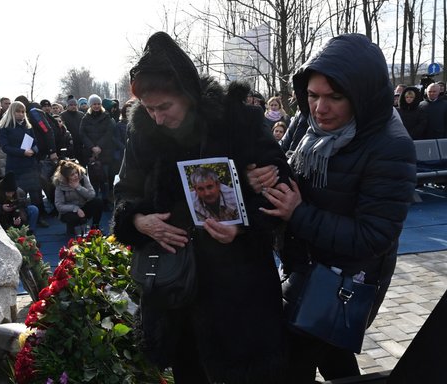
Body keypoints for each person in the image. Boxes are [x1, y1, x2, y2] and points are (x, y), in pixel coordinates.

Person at [112, 31, 291, 383]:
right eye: (149, 109)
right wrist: (138, 220)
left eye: (165, 107)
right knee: (189, 370)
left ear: (189, 95)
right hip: (176, 288)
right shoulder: (143, 133)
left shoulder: (238, 121)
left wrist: (243, 225)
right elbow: (124, 191)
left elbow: (281, 189)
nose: (158, 117)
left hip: (239, 288)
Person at [247, 33, 416, 382]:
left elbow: (374, 236)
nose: (319, 108)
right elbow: (285, 172)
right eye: (312, 95)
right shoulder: (306, 124)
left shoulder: (390, 146)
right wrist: (261, 177)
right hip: (302, 265)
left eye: (335, 97)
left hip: (345, 282)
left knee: (291, 361)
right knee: (334, 356)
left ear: (362, 96)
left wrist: (298, 213)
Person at [0, 101, 49, 227]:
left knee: (36, 193)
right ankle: (20, 219)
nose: (21, 114)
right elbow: (5, 147)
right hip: (16, 166)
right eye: (18, 111)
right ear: (12, 112)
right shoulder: (5, 127)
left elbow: (36, 143)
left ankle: (40, 217)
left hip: (30, 166)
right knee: (19, 196)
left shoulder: (28, 126)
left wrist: (33, 150)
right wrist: (22, 152)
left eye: (23, 111)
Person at [79, 93, 115, 208]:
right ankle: (95, 200)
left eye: (98, 103)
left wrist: (99, 146)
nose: (96, 106)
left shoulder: (106, 116)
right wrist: (92, 147)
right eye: (94, 104)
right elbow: (82, 134)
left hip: (104, 152)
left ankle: (105, 200)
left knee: (104, 178)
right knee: (93, 179)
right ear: (90, 105)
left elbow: (109, 133)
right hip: (91, 153)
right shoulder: (85, 118)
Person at [53, 159, 103, 235]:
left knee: (98, 202)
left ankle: (95, 226)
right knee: (73, 218)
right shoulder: (60, 185)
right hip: (70, 211)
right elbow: (59, 206)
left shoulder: (82, 177)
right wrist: (75, 209)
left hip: (84, 206)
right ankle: (71, 227)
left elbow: (92, 194)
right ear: (66, 177)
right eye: (72, 175)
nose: (76, 175)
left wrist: (78, 187)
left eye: (76, 172)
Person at [60, 95, 85, 162]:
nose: (73, 106)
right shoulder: (63, 115)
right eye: (71, 105)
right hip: (69, 144)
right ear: (67, 106)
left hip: (80, 144)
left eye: (75, 105)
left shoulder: (81, 114)